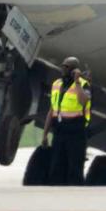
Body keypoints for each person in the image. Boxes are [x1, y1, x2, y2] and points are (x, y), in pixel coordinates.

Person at [43, 56, 91, 185]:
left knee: (75, 169)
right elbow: (52, 110)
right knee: (56, 168)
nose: (63, 69)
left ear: (74, 70)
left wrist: (77, 82)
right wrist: (45, 134)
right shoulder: (56, 84)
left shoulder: (84, 84)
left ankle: (75, 199)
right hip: (59, 132)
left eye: (67, 67)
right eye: (63, 66)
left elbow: (83, 101)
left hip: (76, 132)